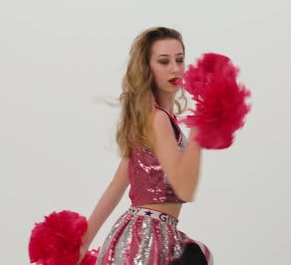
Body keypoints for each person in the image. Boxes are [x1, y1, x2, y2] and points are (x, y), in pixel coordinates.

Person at [78, 27, 212, 265]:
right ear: (147, 68)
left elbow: (117, 185)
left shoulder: (152, 119)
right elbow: (185, 189)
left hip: (154, 236)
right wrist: (201, 123)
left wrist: (83, 242)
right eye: (164, 61)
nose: (175, 68)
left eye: (179, 59)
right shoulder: (157, 119)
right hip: (143, 241)